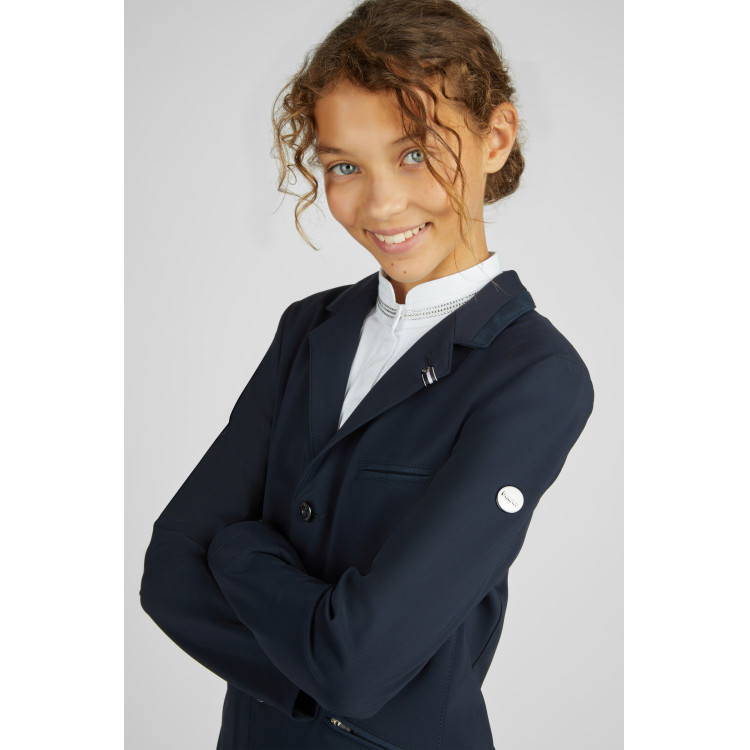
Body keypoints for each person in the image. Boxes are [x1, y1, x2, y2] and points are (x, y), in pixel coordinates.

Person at [139, 0, 595, 747]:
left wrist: (238, 551)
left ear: (495, 138)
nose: (382, 204)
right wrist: (323, 677)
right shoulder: (309, 328)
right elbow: (170, 574)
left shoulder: (536, 375)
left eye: (415, 153)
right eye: (344, 166)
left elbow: (359, 663)